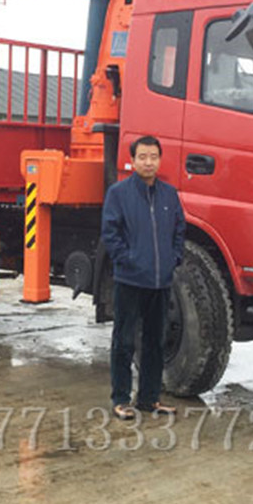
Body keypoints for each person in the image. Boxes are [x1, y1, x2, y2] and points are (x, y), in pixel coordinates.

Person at [101, 135, 186, 420]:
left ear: (160, 160)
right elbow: (110, 233)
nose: (148, 162)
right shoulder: (119, 193)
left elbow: (179, 230)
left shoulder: (169, 194)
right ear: (133, 160)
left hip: (160, 282)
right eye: (142, 157)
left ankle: (149, 399)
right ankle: (121, 399)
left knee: (154, 342)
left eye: (153, 157)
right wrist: (128, 261)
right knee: (124, 341)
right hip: (130, 280)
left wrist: (173, 259)